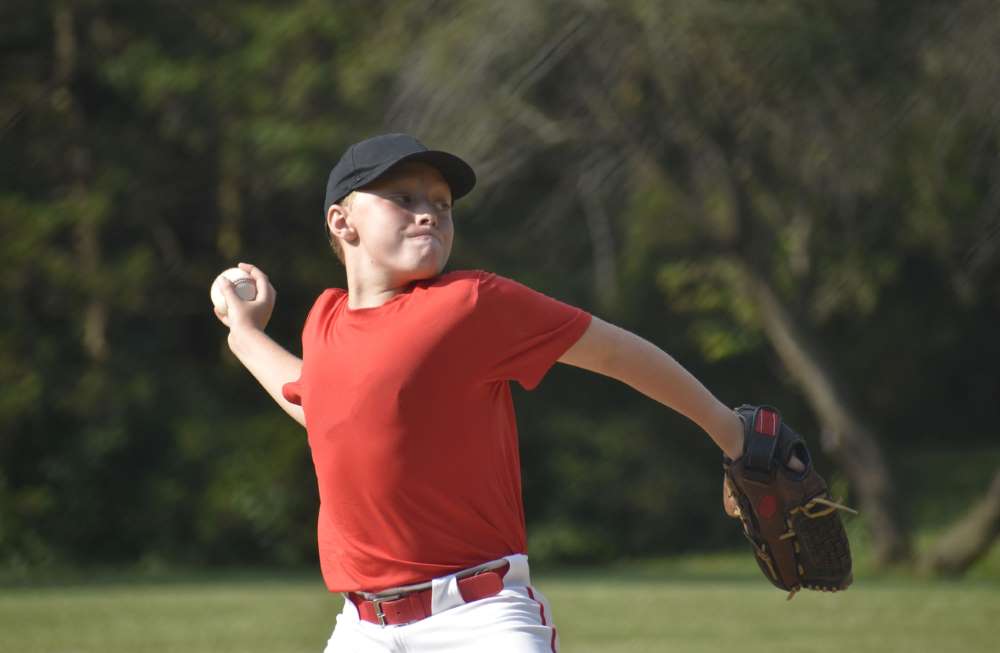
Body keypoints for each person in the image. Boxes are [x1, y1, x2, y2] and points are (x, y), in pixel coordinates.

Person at [213, 133, 750, 653]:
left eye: (442, 204)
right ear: (341, 220)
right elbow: (319, 407)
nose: (429, 213)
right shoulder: (324, 321)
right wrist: (244, 331)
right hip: (362, 629)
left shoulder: (470, 304)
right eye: (404, 198)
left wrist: (733, 435)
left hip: (479, 619)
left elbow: (616, 352)